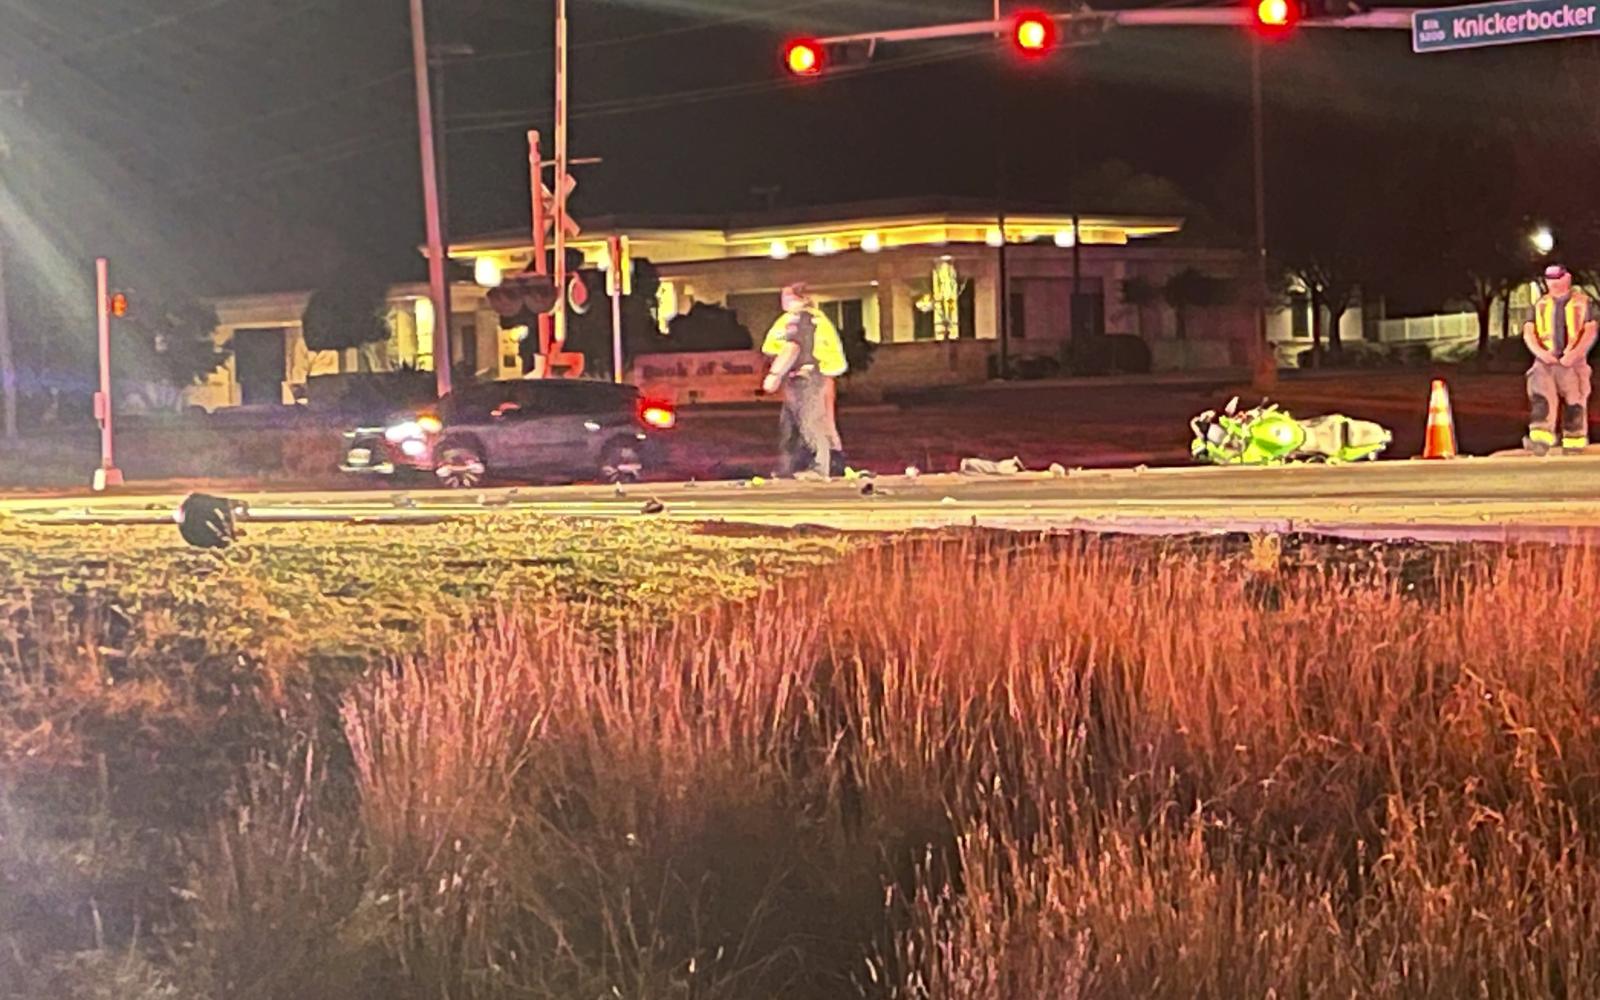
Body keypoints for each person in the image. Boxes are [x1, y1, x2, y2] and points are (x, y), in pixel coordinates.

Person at [762, 284, 848, 479]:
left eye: (786, 296)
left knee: (810, 422)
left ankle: (820, 466)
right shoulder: (815, 318)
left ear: (798, 298)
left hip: (806, 377)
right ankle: (793, 466)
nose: (782, 300)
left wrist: (774, 375)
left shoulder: (800, 319)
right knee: (794, 423)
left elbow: (793, 347)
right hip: (813, 375)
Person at [1523, 264, 1598, 456]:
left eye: (1558, 278)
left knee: (1575, 402)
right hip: (1545, 362)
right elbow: (1529, 332)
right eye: (1550, 279)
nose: (1554, 283)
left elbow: (1590, 331)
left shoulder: (1583, 303)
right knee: (1542, 400)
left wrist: (1574, 355)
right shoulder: (1540, 304)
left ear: (1568, 278)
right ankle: (1540, 440)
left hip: (1573, 363)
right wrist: (1541, 353)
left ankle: (1574, 441)